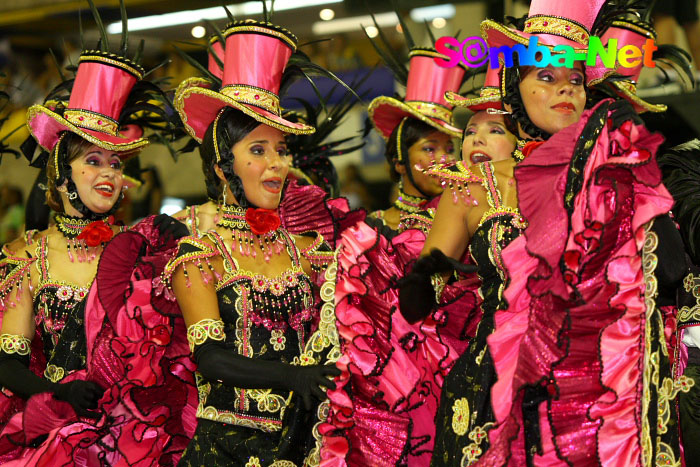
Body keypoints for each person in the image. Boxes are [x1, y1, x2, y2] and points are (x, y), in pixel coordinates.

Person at [401, 0, 692, 464]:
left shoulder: (612, 178)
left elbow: (672, 272)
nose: (565, 91)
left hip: (590, 397)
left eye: (575, 80)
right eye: (546, 77)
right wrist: (427, 276)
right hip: (493, 397)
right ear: (517, 91)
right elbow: (419, 296)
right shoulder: (477, 185)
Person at [168, 18, 344, 465]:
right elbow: (210, 359)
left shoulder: (307, 249)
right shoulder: (198, 255)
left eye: (282, 150)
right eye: (259, 150)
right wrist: (294, 377)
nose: (278, 165)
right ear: (225, 165)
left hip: (305, 443)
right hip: (226, 447)